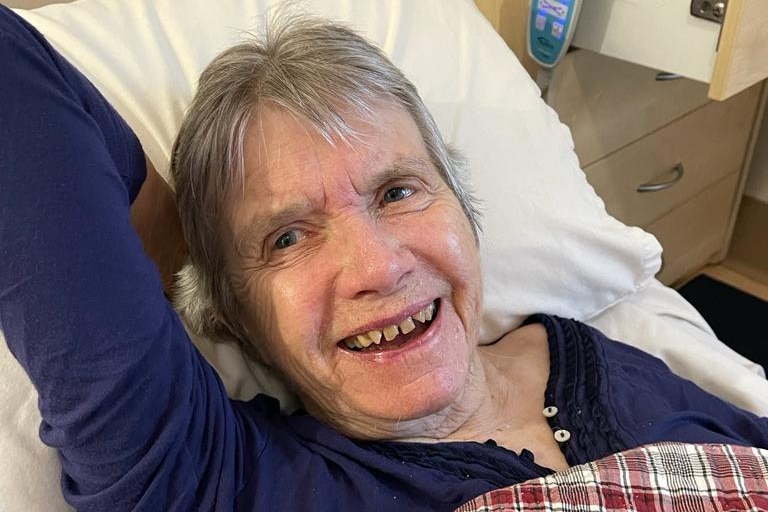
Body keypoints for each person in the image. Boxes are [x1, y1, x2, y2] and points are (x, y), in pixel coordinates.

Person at [1, 6, 766, 511]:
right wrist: (179, 254)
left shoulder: (593, 352)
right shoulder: (222, 482)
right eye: (286, 239)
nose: (379, 267)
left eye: (399, 191)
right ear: (228, 316)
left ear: (463, 209)